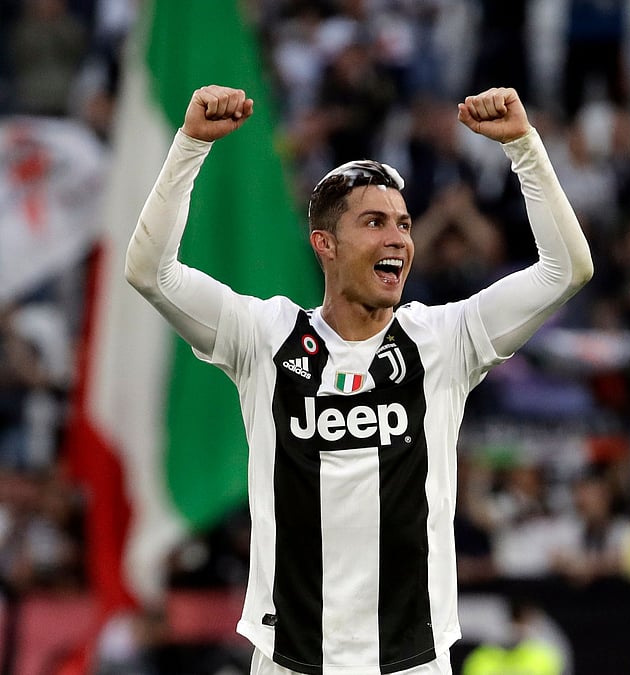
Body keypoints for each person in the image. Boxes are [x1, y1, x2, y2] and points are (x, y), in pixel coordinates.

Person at [125, 85, 593, 674]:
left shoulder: (445, 341)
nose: (397, 237)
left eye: (403, 223)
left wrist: (525, 147)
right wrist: (190, 144)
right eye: (374, 222)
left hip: (411, 661)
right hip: (292, 659)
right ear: (325, 244)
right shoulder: (262, 337)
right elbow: (149, 270)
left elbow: (567, 269)